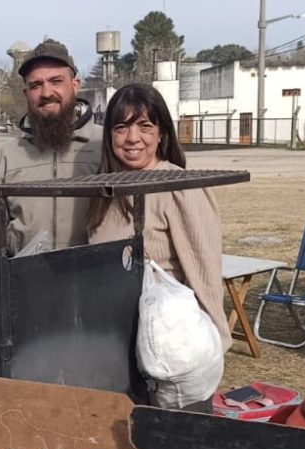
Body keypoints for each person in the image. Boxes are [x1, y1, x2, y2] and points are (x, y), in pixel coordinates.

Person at [86, 83, 231, 352]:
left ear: (161, 133)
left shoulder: (180, 187)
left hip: (168, 338)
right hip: (113, 338)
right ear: (109, 136)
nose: (132, 138)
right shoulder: (103, 192)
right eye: (121, 128)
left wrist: (213, 344)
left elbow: (204, 271)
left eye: (144, 127)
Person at [0, 39, 103, 254]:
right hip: (22, 281)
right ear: (26, 94)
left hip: (93, 279)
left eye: (56, 81)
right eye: (36, 85)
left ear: (75, 85)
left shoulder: (104, 145)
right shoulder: (8, 156)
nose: (46, 92)